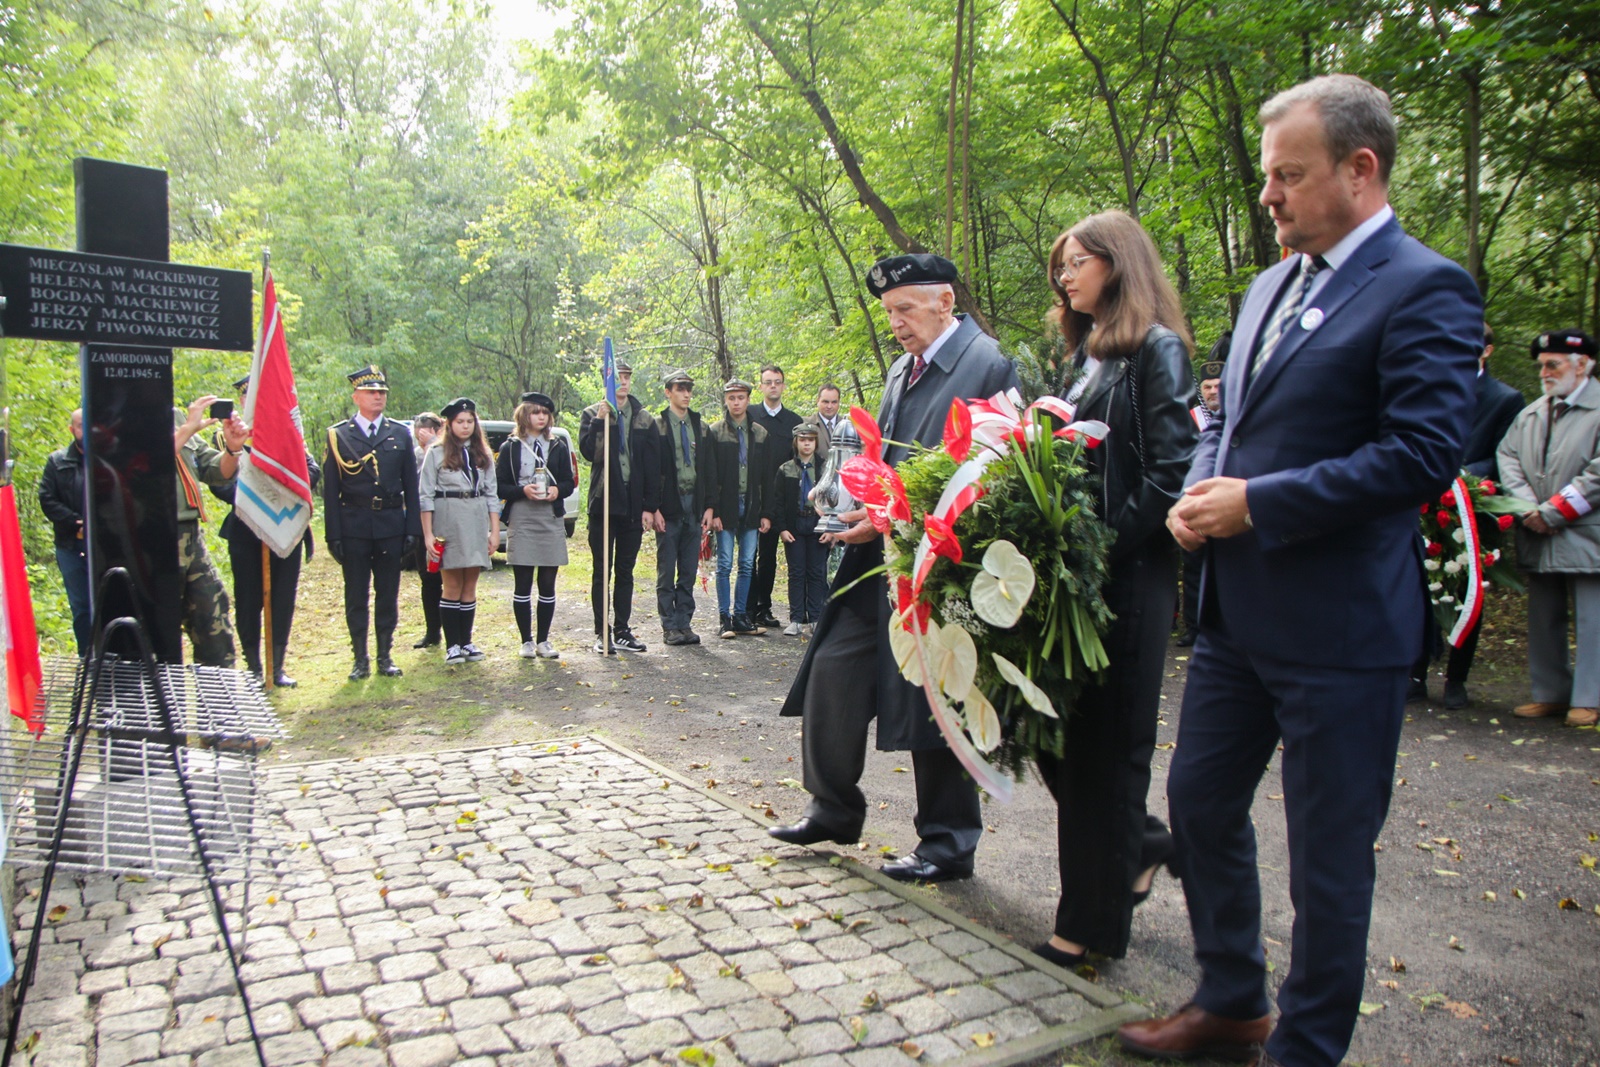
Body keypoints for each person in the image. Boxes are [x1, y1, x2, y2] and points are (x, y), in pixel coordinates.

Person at [1139, 75, 1482, 1067]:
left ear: (1359, 170)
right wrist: (1200, 488)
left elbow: (1420, 455)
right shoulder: (1265, 287)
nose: (1269, 195)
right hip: (1238, 617)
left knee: (1328, 858)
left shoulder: (1426, 287)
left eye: (1288, 176)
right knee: (1198, 801)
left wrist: (1262, 501)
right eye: (1266, 175)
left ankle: (1309, 1045)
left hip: (1341, 631)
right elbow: (1229, 422)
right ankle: (1232, 997)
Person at [772, 253, 1020, 885]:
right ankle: (833, 808)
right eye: (889, 314)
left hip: (942, 558)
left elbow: (993, 468)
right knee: (833, 666)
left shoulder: (986, 363)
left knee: (935, 698)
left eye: (905, 310)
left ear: (944, 300)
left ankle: (946, 842)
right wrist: (861, 509)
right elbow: (884, 459)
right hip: (881, 553)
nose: (897, 325)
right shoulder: (900, 371)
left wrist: (903, 519)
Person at [1034, 211, 1199, 970]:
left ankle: (1089, 925)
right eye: (1061, 266)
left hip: (1129, 580)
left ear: (1119, 262)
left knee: (1108, 756)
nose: (1065, 276)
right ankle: (1143, 847)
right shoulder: (1088, 357)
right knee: (1058, 744)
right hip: (1082, 582)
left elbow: (1172, 473)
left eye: (1078, 262)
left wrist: (1101, 549)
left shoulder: (1155, 350)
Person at [1409, 324, 1523, 708]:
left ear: (1486, 351)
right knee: (1419, 587)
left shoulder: (1505, 398)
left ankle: (1457, 678)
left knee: (1466, 588)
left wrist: (1458, 478)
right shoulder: (1431, 391)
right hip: (1425, 501)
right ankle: (1416, 672)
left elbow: (1504, 454)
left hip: (1474, 504)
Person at [1498, 330, 1600, 728]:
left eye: (1552, 364)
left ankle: (1590, 697)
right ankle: (1551, 693)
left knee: (1593, 618)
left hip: (1587, 533)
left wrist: (1554, 511)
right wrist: (1528, 509)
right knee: (1544, 614)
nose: (1544, 372)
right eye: (1541, 365)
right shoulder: (1531, 413)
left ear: (1581, 365)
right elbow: (1507, 458)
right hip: (1537, 531)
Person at [217, 374, 322, 686]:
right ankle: (252, 666)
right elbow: (219, 484)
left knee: (282, 599)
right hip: (246, 531)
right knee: (248, 600)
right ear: (242, 401)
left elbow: (311, 472)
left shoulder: (290, 435)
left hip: (285, 526)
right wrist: (256, 495)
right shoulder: (228, 439)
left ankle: (276, 666)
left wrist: (279, 490)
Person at [324, 366, 422, 680]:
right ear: (356, 397)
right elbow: (330, 490)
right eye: (371, 392)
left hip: (391, 524)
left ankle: (384, 655)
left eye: (382, 392)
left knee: (387, 593)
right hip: (353, 525)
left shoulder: (399, 433)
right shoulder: (339, 435)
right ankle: (359, 659)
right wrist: (333, 534)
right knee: (355, 595)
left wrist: (412, 529)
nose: (378, 397)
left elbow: (411, 484)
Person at [579, 360, 660, 654]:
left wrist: (650, 506)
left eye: (626, 378)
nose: (622, 383)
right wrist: (601, 421)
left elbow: (653, 466)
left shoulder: (644, 419)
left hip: (633, 505)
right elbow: (590, 454)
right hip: (604, 504)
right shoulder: (592, 413)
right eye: (617, 378)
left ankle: (623, 629)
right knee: (602, 570)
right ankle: (602, 632)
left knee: (626, 570)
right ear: (607, 381)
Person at [420, 398, 498, 664]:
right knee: (452, 583)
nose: (465, 426)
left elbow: (491, 495)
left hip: (475, 517)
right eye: (460, 422)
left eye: (469, 421)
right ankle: (452, 644)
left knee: (470, 583)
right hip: (448, 516)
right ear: (449, 424)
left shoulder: (483, 453)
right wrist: (428, 534)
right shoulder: (437, 452)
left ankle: (467, 641)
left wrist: (494, 532)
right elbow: (425, 496)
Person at [175, 396, 251, 667]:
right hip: (149, 537)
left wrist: (233, 449)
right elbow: (143, 467)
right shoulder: (119, 417)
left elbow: (215, 470)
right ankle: (161, 702)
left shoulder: (173, 416)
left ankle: (221, 695)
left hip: (189, 534)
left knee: (212, 611)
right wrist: (187, 429)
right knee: (159, 624)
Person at [498, 392, 575, 659]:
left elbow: (568, 481)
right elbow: (501, 486)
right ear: (524, 414)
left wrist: (557, 491)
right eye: (535, 412)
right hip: (522, 514)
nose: (540, 417)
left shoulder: (558, 446)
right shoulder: (511, 447)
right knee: (523, 581)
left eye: (545, 413)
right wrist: (523, 490)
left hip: (549, 517)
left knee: (547, 581)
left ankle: (544, 640)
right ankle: (526, 641)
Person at [653, 368, 716, 646]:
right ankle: (669, 626)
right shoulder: (658, 426)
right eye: (680, 388)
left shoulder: (700, 426)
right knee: (667, 569)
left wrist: (710, 506)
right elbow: (651, 470)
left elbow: (710, 470)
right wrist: (652, 507)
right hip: (669, 505)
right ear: (668, 392)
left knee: (689, 569)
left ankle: (684, 622)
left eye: (689, 388)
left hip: (695, 505)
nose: (686, 394)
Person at [708, 378, 773, 638]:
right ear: (726, 400)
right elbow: (711, 475)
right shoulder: (715, 432)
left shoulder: (760, 433)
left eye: (741, 397)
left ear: (748, 399)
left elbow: (768, 478)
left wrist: (766, 512)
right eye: (732, 397)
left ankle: (741, 616)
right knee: (724, 563)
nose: (736, 402)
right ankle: (724, 618)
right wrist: (713, 509)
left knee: (747, 563)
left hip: (752, 505)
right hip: (726, 505)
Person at [748, 364, 802, 629]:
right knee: (746, 555)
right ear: (760, 386)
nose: (772, 386)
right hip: (748, 496)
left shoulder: (794, 422)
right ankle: (745, 608)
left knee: (768, 555)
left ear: (783, 386)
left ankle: (763, 607)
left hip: (777, 500)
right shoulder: (748, 415)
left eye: (777, 382)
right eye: (767, 382)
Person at [1178, 353, 1226, 646]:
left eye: (1218, 386)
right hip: (1195, 501)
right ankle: (1194, 627)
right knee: (1193, 567)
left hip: (1227, 503)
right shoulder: (1190, 418)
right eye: (1207, 386)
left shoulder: (1237, 415)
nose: (1212, 391)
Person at [38, 409, 90, 655]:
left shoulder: (111, 460)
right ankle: (87, 659)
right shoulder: (57, 461)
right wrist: (75, 521)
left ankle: (114, 660)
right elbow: (47, 499)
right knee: (81, 606)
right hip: (71, 545)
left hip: (106, 545)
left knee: (111, 602)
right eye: (81, 426)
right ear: (72, 429)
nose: (86, 430)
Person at [772, 423, 829, 637]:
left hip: (817, 524)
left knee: (816, 572)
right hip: (795, 525)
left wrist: (830, 527)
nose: (807, 443)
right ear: (796, 442)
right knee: (796, 573)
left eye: (811, 439)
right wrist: (782, 528)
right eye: (803, 439)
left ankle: (815, 618)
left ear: (816, 442)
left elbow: (833, 500)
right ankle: (796, 618)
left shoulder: (824, 468)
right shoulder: (785, 469)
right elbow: (778, 502)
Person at [410, 411, 445, 648]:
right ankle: (432, 631)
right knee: (428, 578)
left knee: (448, 578)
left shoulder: (442, 451)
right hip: (419, 523)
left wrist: (432, 445)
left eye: (425, 431)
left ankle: (455, 631)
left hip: (443, 521)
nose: (420, 435)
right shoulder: (412, 455)